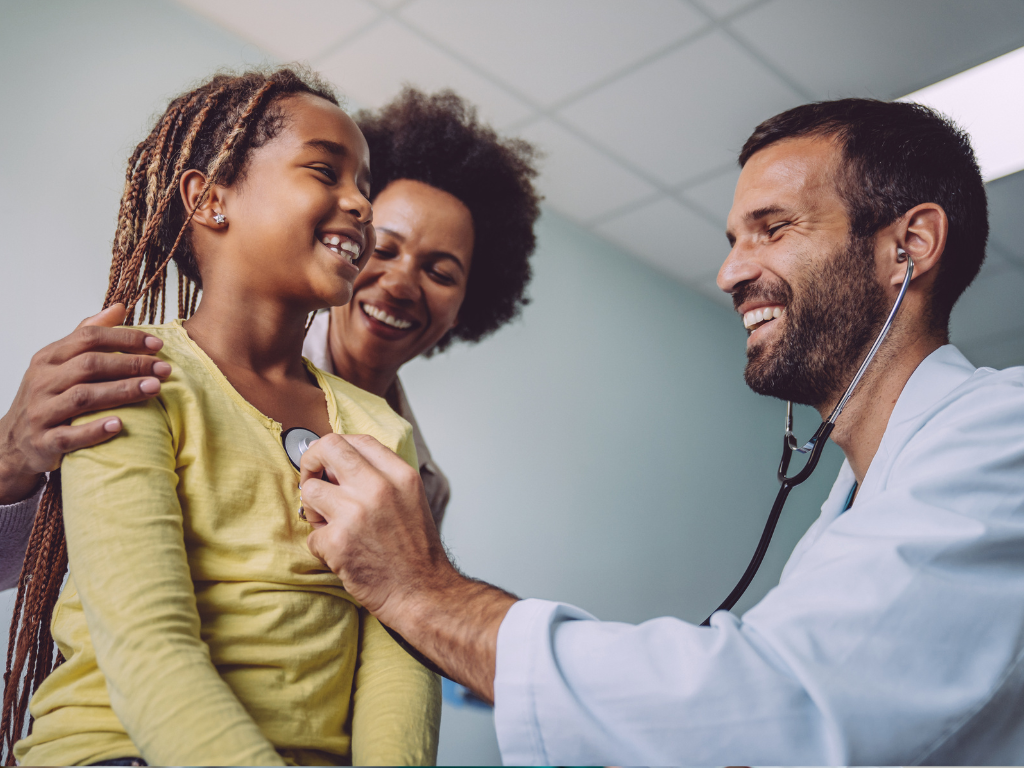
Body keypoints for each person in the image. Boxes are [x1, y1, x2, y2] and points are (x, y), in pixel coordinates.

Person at [293, 98, 1024, 765]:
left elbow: (759, 706)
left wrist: (428, 594)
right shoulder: (853, 510)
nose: (730, 272)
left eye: (772, 229)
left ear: (910, 245)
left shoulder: (1001, 432)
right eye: (735, 239)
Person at [5, 67, 441, 766]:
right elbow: (148, 644)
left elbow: (402, 647)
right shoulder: (132, 377)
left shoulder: (379, 428)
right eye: (325, 172)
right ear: (209, 199)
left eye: (365, 185)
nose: (361, 205)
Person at [0, 87, 540, 586]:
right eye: (388, 247)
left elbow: (395, 623)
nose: (400, 284)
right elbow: (42, 564)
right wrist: (8, 463)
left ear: (467, 306)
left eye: (440, 273)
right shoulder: (150, 377)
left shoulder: (418, 478)